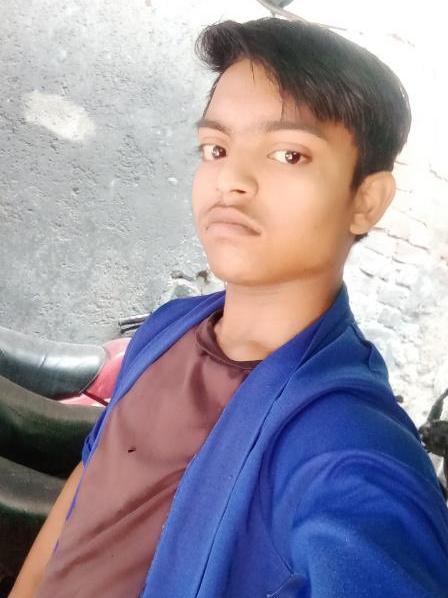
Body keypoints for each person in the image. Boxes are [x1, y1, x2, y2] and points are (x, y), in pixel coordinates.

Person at [10, 16, 448, 598]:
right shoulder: (168, 329)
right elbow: (85, 491)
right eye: (216, 148)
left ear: (366, 201)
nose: (231, 180)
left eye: (289, 154)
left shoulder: (351, 452)